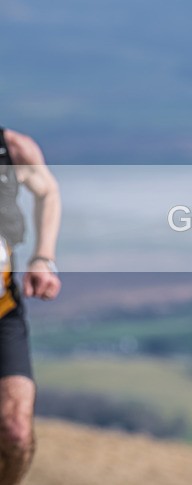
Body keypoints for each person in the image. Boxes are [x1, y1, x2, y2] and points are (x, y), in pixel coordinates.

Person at [0, 125, 61, 484]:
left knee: (16, 432)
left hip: (4, 309)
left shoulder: (13, 149)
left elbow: (48, 190)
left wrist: (43, 257)